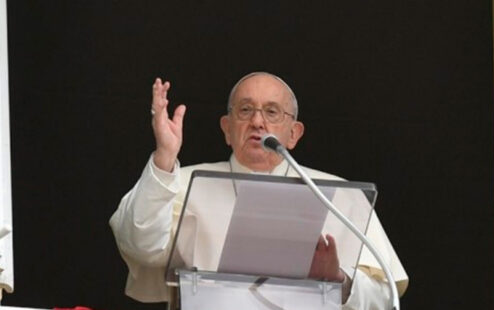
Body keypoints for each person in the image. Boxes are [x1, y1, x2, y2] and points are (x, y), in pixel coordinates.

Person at [109, 72, 408, 309]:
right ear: (226, 128)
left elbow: (385, 298)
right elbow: (140, 247)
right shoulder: (181, 181)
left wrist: (339, 280)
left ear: (294, 134)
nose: (257, 121)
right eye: (245, 110)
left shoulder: (341, 195)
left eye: (272, 112)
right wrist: (164, 156)